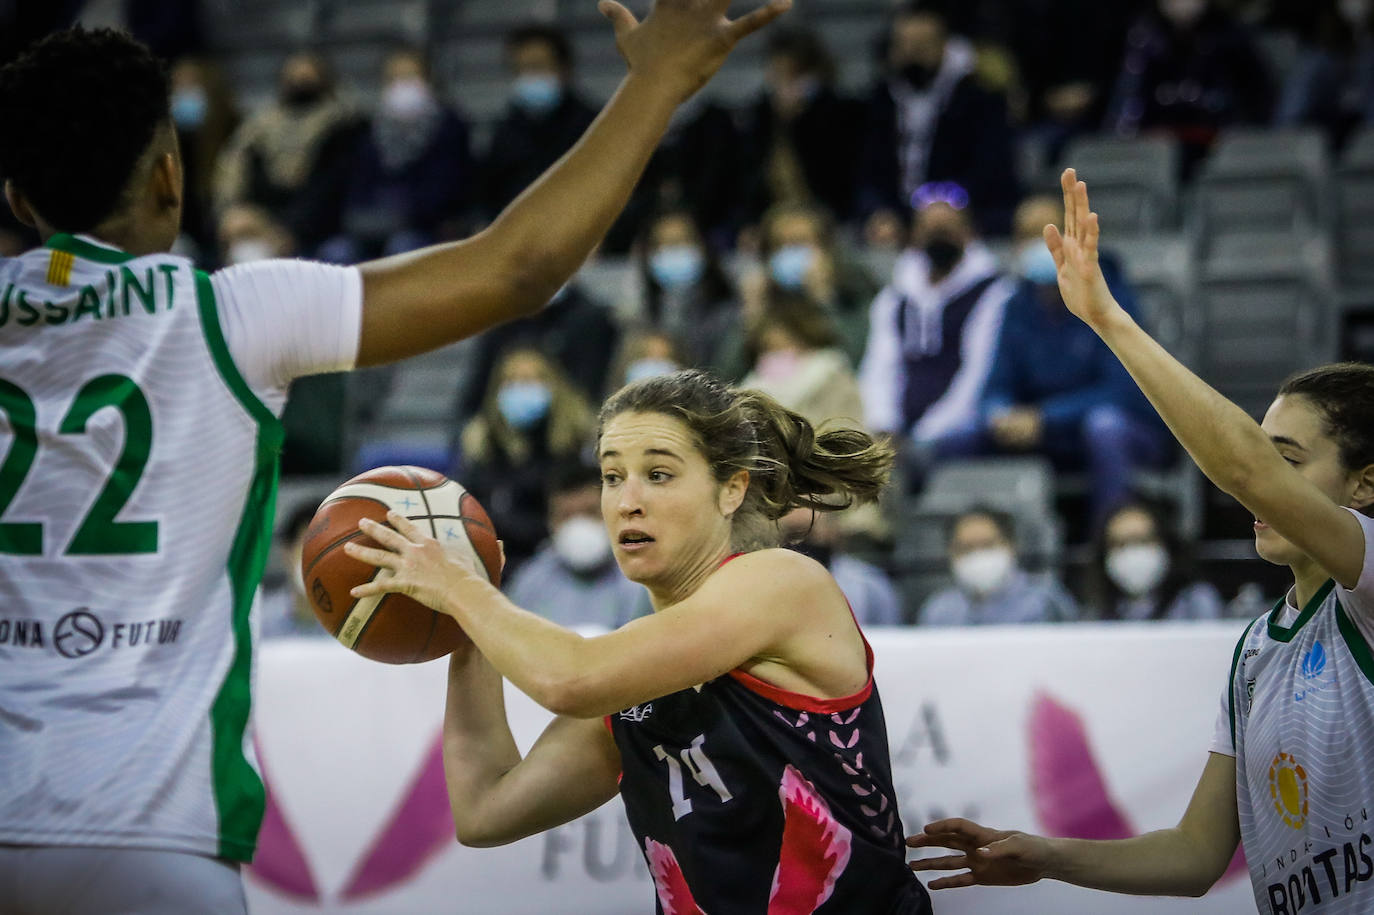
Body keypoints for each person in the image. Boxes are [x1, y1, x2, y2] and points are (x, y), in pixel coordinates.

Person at [0, 2, 789, 910]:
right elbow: (517, 269)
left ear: (17, 199)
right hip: (146, 832)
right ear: (173, 178)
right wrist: (658, 81)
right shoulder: (227, 314)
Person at [909, 169, 1374, 913]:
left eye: (1285, 463)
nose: (1260, 485)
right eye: (1264, 459)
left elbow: (1236, 464)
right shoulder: (1255, 648)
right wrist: (1044, 853)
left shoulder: (1370, 584)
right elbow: (1194, 856)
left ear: (1365, 487)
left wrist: (1106, 319)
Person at [344, 369, 932, 913]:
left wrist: (460, 589)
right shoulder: (633, 678)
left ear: (731, 490)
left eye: (658, 474)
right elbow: (484, 811)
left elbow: (570, 679)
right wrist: (467, 629)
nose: (627, 500)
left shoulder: (781, 581)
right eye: (611, 475)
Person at [946, 194, 1172, 528]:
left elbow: (1123, 390)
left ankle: (1109, 540)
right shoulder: (1016, 305)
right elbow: (995, 385)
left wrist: (1045, 417)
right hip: (1041, 434)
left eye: (1046, 231)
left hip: (1123, 428)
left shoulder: (1111, 294)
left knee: (1104, 426)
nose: (1037, 243)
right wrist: (1001, 413)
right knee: (963, 435)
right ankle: (978, 545)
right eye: (1025, 235)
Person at [858, 198, 1015, 478]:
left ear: (969, 233)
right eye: (930, 231)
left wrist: (925, 434)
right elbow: (880, 366)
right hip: (899, 429)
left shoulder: (992, 293)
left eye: (946, 230)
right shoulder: (895, 297)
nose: (938, 238)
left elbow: (976, 373)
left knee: (936, 451)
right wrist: (885, 425)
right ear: (915, 236)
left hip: (959, 423)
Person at [856, 1, 1019, 243]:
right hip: (899, 213)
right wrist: (878, 211)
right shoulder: (882, 100)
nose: (913, 55)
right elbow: (868, 169)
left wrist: (941, 203)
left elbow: (990, 168)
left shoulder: (978, 97)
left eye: (921, 46)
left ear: (943, 44)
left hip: (965, 208)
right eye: (906, 46)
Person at [459, 347, 597, 570]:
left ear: (554, 386)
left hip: (556, 566)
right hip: (492, 565)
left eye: (530, 380)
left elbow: (571, 519)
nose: (521, 389)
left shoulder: (574, 448)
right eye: (512, 381)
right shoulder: (483, 447)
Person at [213, 51, 361, 257]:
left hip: (319, 229)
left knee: (338, 253)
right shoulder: (258, 131)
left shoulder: (341, 126)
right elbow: (240, 180)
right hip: (263, 223)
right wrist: (240, 215)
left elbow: (328, 190)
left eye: (307, 77)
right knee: (244, 243)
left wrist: (287, 231)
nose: (300, 82)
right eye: (294, 77)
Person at [333, 47, 475, 261]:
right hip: (371, 227)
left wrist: (406, 214)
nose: (402, 85)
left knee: (402, 248)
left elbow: (447, 188)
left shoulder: (449, 127)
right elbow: (357, 186)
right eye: (394, 78)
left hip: (426, 227)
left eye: (410, 76)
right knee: (337, 252)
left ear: (428, 81)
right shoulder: (369, 130)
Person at [1105, 0, 1274, 168]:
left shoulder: (1229, 35)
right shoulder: (1142, 37)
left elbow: (1257, 96)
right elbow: (1127, 103)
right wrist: (1132, 139)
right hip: (1156, 146)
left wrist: (1237, 133)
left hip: (1219, 140)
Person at [737, 27, 864, 226]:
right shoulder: (761, 113)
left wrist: (801, 118)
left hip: (829, 213)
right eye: (777, 73)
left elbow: (836, 170)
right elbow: (751, 175)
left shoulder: (837, 110)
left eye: (792, 76)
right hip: (773, 214)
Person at [506, 461, 652, 628]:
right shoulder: (529, 584)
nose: (579, 525)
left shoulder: (644, 583)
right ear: (550, 522)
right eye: (566, 516)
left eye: (590, 512)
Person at [479, 24, 599, 220]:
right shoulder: (505, 131)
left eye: (538, 67)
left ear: (564, 68)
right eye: (520, 69)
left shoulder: (593, 124)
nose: (530, 77)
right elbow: (489, 194)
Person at [741, 202, 880, 365]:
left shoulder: (856, 298)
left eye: (799, 243)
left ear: (828, 250)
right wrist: (752, 314)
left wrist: (825, 298)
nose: (789, 253)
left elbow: (858, 360)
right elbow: (727, 377)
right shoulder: (766, 307)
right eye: (779, 245)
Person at [917, 506, 1078, 626]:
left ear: (1011, 545)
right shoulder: (938, 612)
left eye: (987, 545)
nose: (977, 555)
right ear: (950, 553)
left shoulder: (1045, 602)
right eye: (966, 548)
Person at [633, 208, 741, 376]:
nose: (674, 251)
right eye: (664, 244)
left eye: (682, 242)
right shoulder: (639, 316)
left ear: (703, 248)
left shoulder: (728, 314)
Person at [1086, 500, 1224, 622]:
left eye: (1143, 540)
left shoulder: (1196, 601)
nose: (1133, 552)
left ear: (1166, 544)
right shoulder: (1096, 613)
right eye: (1120, 544)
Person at [780, 507, 903, 625]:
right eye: (793, 535)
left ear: (833, 530)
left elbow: (890, 638)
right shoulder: (767, 581)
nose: (799, 543)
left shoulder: (868, 584)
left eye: (809, 534)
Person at [258, 499, 331, 639]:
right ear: (287, 553)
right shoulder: (259, 622)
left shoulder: (363, 628)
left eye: (328, 549)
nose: (320, 561)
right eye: (310, 548)